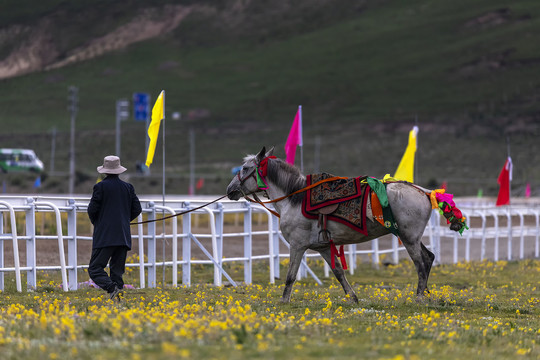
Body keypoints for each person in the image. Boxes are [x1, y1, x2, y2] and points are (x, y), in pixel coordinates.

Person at [87, 155, 142, 300]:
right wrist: (124, 220)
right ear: (119, 171)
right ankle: (119, 298)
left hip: (105, 235)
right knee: (117, 271)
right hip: (123, 235)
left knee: (95, 269)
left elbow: (92, 210)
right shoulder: (128, 187)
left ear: (104, 171)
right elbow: (137, 208)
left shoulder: (100, 187)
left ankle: (112, 288)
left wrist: (98, 223)